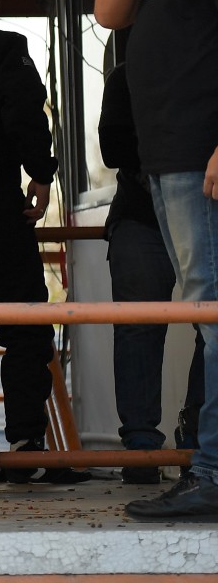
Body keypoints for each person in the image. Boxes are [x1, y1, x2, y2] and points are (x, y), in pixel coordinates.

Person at [93, 0, 218, 520]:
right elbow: (110, 12)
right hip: (164, 157)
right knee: (204, 312)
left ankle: (213, 470)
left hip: (203, 154)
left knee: (213, 312)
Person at [0, 0, 84, 483]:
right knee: (24, 325)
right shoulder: (3, 48)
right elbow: (23, 113)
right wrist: (41, 174)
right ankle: (25, 446)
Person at [101, 49, 206, 486]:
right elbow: (112, 148)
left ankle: (198, 435)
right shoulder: (125, 78)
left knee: (211, 327)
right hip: (143, 215)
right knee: (139, 325)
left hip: (198, 214)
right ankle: (143, 445)